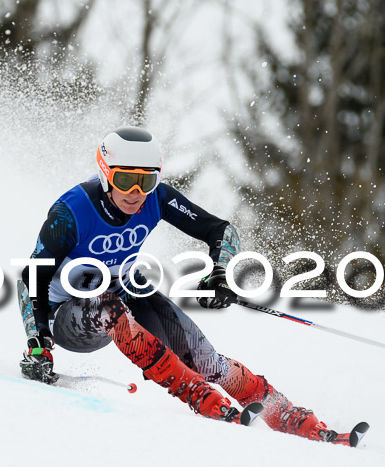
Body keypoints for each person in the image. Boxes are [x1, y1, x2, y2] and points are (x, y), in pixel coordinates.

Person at [17, 127, 331, 440]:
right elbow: (31, 278)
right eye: (125, 180)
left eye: (146, 180)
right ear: (105, 172)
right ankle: (199, 395)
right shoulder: (72, 211)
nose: (135, 192)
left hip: (125, 294)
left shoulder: (157, 199)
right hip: (66, 317)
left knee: (206, 360)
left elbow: (221, 230)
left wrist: (220, 272)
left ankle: (285, 413)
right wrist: (38, 342)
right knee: (109, 307)